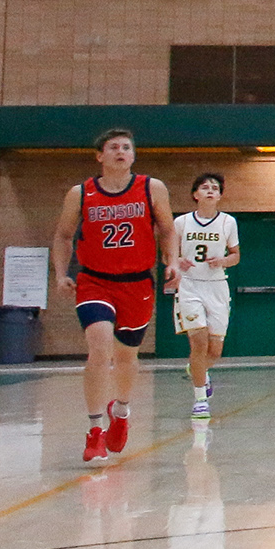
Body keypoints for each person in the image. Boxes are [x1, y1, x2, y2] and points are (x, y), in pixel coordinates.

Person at [53, 126, 175, 467]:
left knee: (126, 358)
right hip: (95, 281)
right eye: (113, 147)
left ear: (133, 155)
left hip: (137, 283)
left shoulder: (152, 188)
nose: (121, 151)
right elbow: (63, 236)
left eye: (126, 147)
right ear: (100, 156)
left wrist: (173, 260)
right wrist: (62, 274)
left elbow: (167, 229)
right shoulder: (81, 193)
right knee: (100, 347)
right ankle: (94, 431)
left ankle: (120, 411)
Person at [169, 171, 239, 424]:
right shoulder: (181, 222)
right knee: (198, 343)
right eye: (205, 187)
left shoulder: (228, 222)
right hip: (190, 287)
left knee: (215, 350)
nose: (211, 190)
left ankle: (197, 369)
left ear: (220, 195)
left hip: (217, 287)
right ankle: (200, 400)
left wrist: (223, 261)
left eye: (215, 188)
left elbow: (236, 256)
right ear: (195, 194)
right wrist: (176, 261)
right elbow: (169, 254)